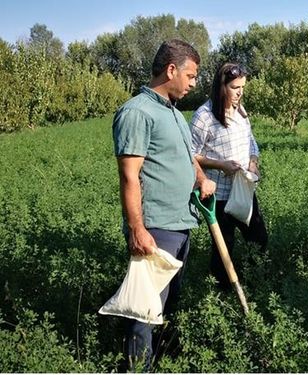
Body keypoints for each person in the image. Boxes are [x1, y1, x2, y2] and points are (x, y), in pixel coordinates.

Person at [112, 39, 216, 370]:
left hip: (180, 223)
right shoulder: (137, 112)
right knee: (144, 310)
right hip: (156, 229)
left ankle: (161, 361)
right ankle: (138, 368)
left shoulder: (171, 111)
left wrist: (200, 178)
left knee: (167, 303)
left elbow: (186, 156)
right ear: (171, 70)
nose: (194, 83)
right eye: (191, 75)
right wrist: (137, 229)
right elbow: (129, 177)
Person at [190, 62, 268, 291]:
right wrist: (219, 164)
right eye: (235, 87)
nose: (240, 92)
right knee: (223, 247)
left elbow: (251, 142)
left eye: (242, 87)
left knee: (259, 238)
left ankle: (256, 283)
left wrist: (253, 164)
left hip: (243, 190)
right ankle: (222, 293)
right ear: (221, 86)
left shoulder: (240, 111)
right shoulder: (203, 116)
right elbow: (189, 154)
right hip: (219, 196)